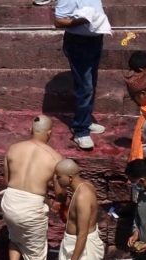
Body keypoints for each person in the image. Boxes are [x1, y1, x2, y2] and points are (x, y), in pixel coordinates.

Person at [1, 115, 64, 260]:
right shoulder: (55, 158)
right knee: (37, 254)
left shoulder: (13, 149)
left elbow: (6, 180)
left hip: (10, 200)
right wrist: (55, 201)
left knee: (15, 236)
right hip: (31, 207)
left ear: (31, 130)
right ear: (50, 134)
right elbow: (60, 192)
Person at [54, 0, 111, 150]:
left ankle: (85, 120)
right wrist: (82, 20)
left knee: (92, 82)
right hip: (78, 43)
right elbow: (58, 21)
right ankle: (80, 131)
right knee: (85, 87)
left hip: (96, 39)